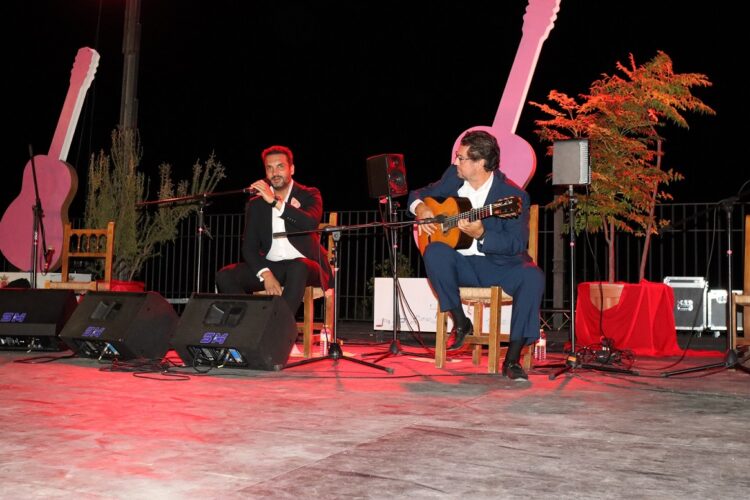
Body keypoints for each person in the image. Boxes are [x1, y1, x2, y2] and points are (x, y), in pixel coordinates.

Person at [408, 130, 544, 380]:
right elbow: (416, 194)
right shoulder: (453, 177)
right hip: (463, 266)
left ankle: (512, 360)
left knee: (533, 277)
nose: (455, 162)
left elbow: (516, 243)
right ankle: (461, 322)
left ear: (480, 162)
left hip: (499, 266)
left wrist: (482, 234)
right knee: (435, 250)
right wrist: (423, 208)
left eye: (461, 158)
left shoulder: (512, 197)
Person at [215, 145, 333, 314]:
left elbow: (310, 224)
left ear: (291, 169)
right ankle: (250, 323)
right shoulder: (256, 204)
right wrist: (266, 274)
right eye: (269, 168)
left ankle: (277, 330)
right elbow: (249, 248)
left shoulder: (309, 194)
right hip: (274, 266)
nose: (274, 173)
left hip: (307, 265)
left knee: (298, 267)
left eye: (280, 166)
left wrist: (275, 203)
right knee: (225, 275)